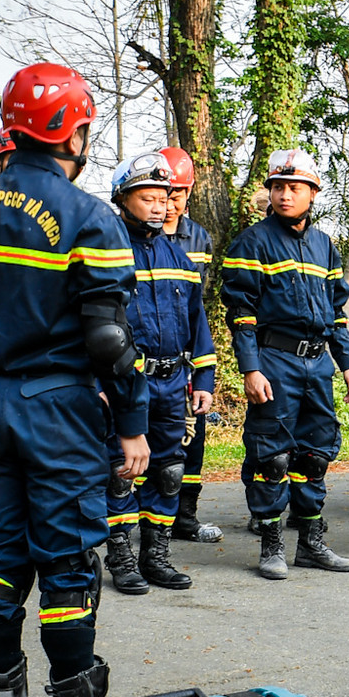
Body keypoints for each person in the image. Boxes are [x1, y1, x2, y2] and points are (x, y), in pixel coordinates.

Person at [0, 62, 147, 697]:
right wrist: (133, 419)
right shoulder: (88, 216)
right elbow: (108, 340)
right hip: (58, 409)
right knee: (70, 560)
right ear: (70, 130)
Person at [221, 148, 349, 580]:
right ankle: (271, 546)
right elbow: (241, 314)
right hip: (274, 359)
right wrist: (251, 368)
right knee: (273, 458)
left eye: (295, 188)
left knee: (315, 457)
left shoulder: (325, 246)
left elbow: (337, 313)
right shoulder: (252, 242)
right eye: (278, 187)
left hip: (317, 362)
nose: (285, 195)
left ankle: (311, 544)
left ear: (312, 194)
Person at [98, 151, 216, 595]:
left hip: (172, 384)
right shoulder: (107, 252)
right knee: (122, 469)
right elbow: (89, 326)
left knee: (168, 471)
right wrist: (98, 385)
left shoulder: (179, 256)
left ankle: (156, 556)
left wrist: (203, 380)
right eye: (146, 196)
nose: (158, 205)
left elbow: (197, 322)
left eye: (163, 197)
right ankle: (122, 558)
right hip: (125, 382)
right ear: (123, 199)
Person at [158, 145, 225, 546]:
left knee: (192, 437)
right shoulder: (127, 236)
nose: (169, 204)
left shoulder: (199, 237)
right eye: (164, 194)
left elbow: (199, 305)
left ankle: (185, 516)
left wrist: (203, 369)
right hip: (147, 355)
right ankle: (137, 523)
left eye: (178, 194)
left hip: (186, 354)